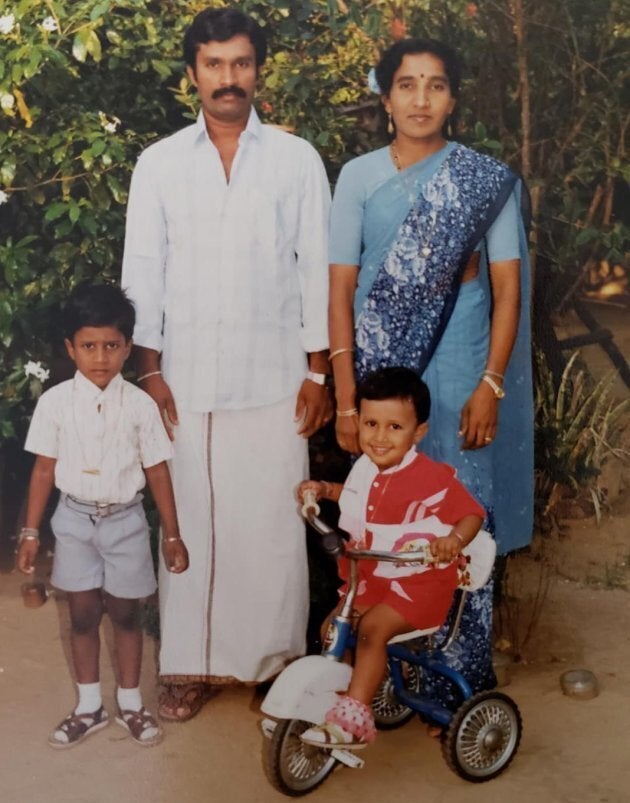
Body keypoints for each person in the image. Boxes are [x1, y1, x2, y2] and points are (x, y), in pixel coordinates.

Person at [121, 7, 331, 721]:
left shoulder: (296, 160)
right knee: (192, 520)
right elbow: (142, 274)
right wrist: (146, 371)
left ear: (258, 70)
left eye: (241, 63)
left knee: (273, 524)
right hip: (185, 379)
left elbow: (315, 274)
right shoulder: (159, 164)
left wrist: (319, 372)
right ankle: (188, 665)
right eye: (214, 65)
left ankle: (273, 664)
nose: (228, 78)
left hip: (276, 378)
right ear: (192, 75)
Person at [327, 38, 533, 708]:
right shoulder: (357, 176)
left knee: (461, 506)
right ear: (386, 99)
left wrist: (491, 383)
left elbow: (508, 289)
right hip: (383, 369)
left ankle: (464, 675)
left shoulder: (482, 181)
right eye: (407, 85)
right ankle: (390, 663)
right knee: (384, 506)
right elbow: (340, 291)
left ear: (453, 97)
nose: (422, 99)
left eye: (436, 85)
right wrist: (347, 398)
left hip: (463, 362)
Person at [15, 284, 189, 749]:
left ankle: (130, 702)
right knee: (83, 615)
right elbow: (44, 469)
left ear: (128, 347)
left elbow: (157, 468)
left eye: (111, 346)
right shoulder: (54, 403)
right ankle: (88, 706)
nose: (100, 357)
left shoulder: (139, 406)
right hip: (73, 521)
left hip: (126, 521)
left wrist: (172, 534)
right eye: (88, 346)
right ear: (71, 347)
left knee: (127, 615)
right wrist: (31, 530)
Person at [297, 367, 484, 748]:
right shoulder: (364, 469)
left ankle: (352, 717)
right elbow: (351, 496)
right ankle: (337, 700)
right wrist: (323, 489)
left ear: (418, 433)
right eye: (370, 424)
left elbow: (472, 513)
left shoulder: (431, 478)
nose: (379, 437)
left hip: (419, 586)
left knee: (370, 631)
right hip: (371, 579)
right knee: (332, 631)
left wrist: (453, 539)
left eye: (394, 428)